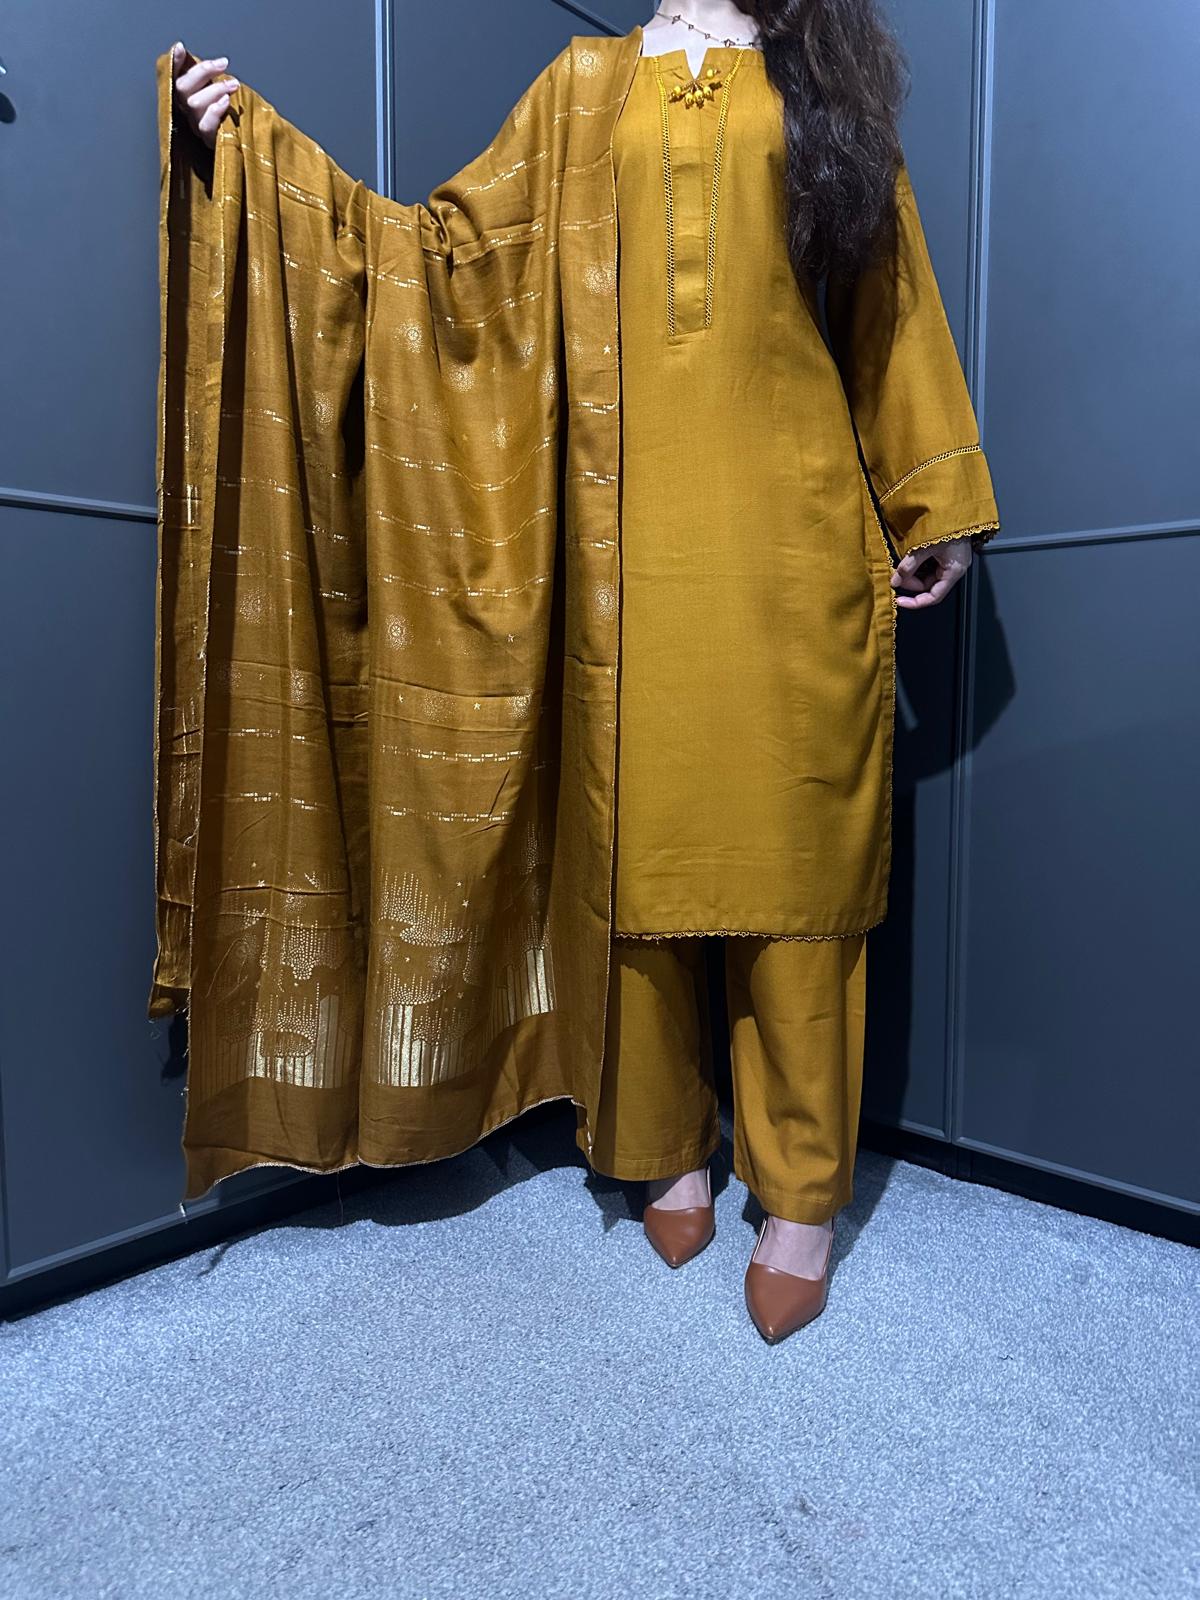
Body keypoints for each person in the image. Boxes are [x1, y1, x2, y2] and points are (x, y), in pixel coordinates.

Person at [164, 0, 999, 1344]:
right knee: (638, 864)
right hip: (619, 554)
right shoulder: (581, 85)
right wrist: (258, 154)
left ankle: (800, 1193)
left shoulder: (820, 81)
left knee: (797, 873)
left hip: (794, 540)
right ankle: (667, 1147)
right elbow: (441, 263)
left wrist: (932, 496)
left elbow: (888, 304)